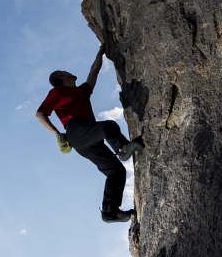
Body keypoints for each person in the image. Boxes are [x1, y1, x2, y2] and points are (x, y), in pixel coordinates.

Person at [36, 44, 143, 223]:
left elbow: (94, 70)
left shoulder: (82, 91)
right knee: (108, 126)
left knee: (116, 171)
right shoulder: (58, 91)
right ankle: (122, 148)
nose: (68, 71)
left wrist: (100, 53)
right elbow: (40, 113)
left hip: (88, 138)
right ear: (61, 75)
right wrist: (57, 133)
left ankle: (110, 212)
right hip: (76, 130)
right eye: (65, 70)